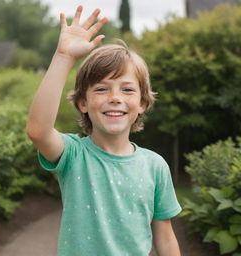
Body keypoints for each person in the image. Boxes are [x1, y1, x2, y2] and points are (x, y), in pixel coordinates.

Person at [26, 5, 182, 256]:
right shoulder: (74, 155)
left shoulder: (156, 166)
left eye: (127, 89)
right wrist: (64, 57)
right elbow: (37, 130)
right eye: (101, 89)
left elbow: (164, 237)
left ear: (142, 104)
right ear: (83, 103)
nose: (115, 98)